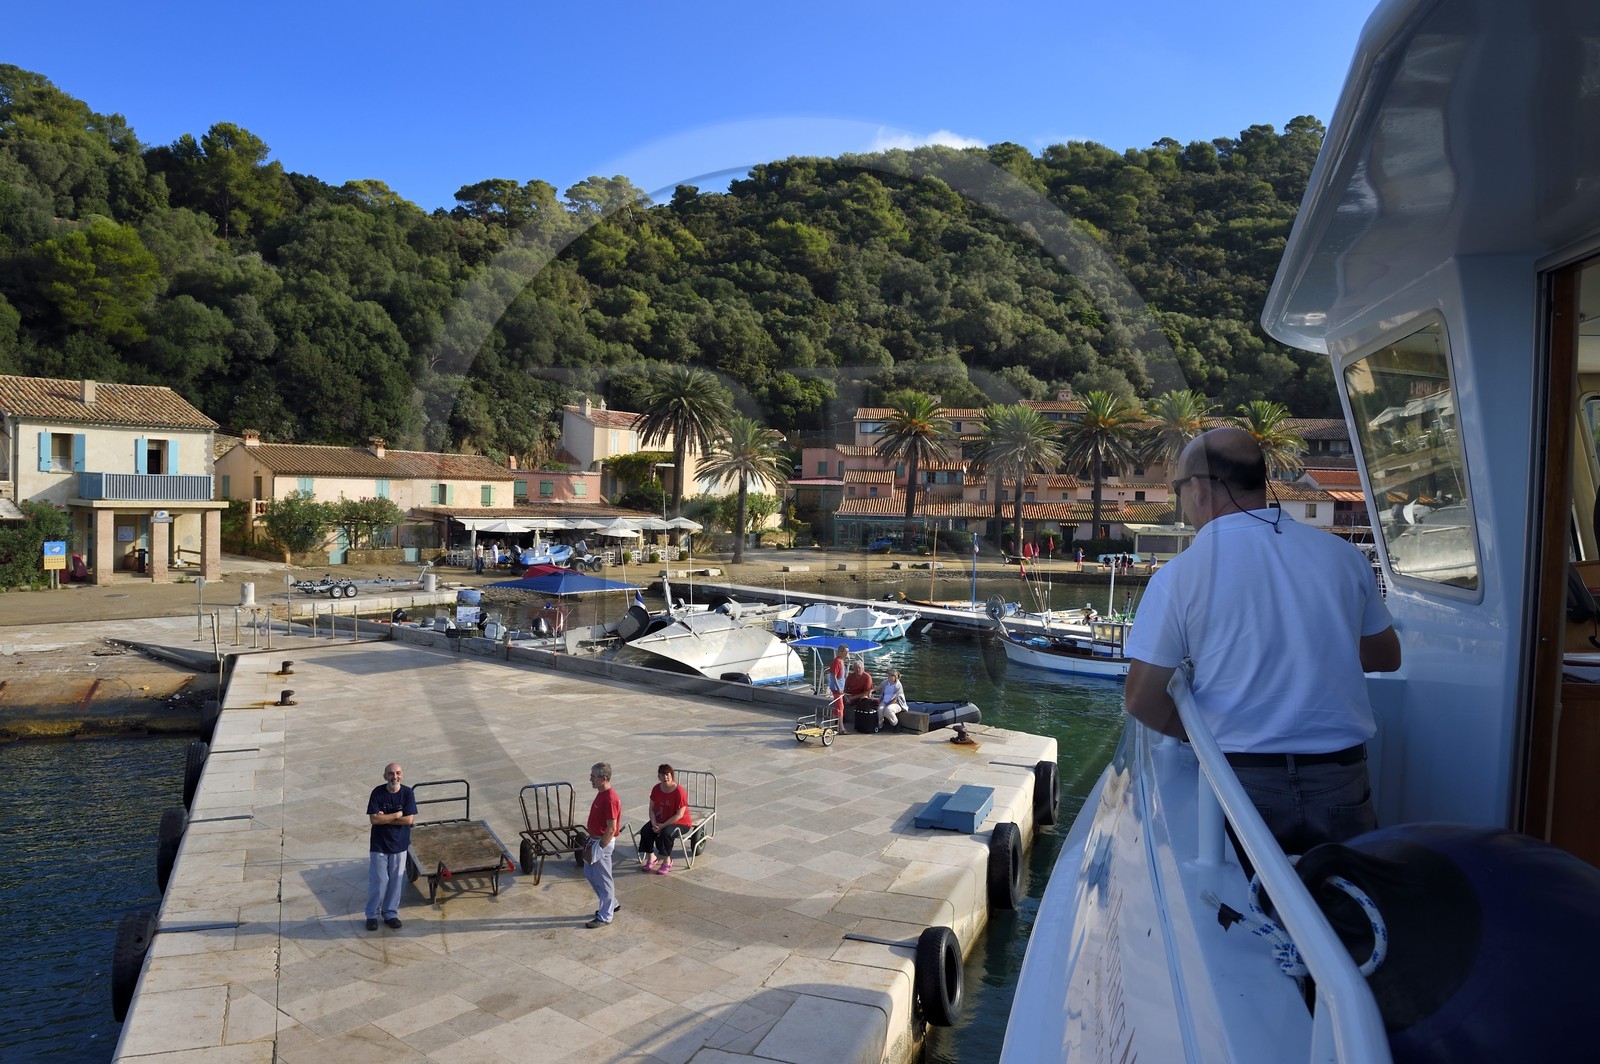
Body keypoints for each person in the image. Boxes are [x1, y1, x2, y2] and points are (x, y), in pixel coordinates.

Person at [1123, 428, 1402, 857]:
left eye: (1178, 488)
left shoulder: (1179, 576)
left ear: (1197, 489)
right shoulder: (1345, 558)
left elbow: (1141, 698)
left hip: (1241, 779)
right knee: (1350, 907)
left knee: (1246, 910)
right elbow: (1386, 655)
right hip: (1341, 777)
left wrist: (1198, 738)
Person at [365, 762, 417, 931]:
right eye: (391, 773)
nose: (394, 776)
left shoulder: (407, 793)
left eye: (397, 773)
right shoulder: (377, 793)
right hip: (379, 845)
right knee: (380, 880)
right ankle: (371, 914)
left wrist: (385, 817)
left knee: (396, 881)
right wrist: (397, 814)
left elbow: (409, 820)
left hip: (400, 844)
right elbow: (374, 820)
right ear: (385, 776)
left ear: (402, 775)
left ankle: (390, 914)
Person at [583, 762, 622, 927]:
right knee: (590, 873)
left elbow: (611, 828)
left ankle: (605, 916)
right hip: (594, 840)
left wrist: (599, 848)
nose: (590, 779)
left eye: (593, 776)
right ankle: (612, 902)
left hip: (601, 842)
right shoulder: (601, 793)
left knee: (603, 879)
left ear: (603, 778)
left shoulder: (610, 798)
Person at [637, 764, 692, 875]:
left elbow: (679, 815)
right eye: (662, 775)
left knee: (666, 834)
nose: (665, 777)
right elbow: (651, 809)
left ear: (671, 775)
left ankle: (667, 861)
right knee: (646, 831)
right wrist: (654, 823)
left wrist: (662, 826)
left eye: (667, 774)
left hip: (680, 822)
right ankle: (651, 857)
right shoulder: (656, 789)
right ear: (659, 776)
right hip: (660, 820)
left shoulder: (679, 792)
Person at [843, 658, 875, 724]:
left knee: (865, 700)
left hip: (861, 695)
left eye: (859, 668)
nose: (858, 670)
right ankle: (841, 718)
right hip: (850, 695)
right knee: (840, 699)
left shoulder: (867, 677)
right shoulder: (850, 676)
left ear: (863, 668)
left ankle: (861, 721)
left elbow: (867, 692)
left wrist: (853, 697)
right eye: (856, 668)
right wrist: (845, 697)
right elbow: (845, 688)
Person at [826, 645, 849, 723]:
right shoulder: (837, 661)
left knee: (838, 706)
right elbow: (834, 676)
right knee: (840, 707)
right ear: (840, 652)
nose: (847, 653)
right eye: (845, 652)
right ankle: (840, 727)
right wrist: (838, 687)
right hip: (836, 688)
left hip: (840, 687)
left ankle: (834, 723)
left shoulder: (841, 661)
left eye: (847, 652)